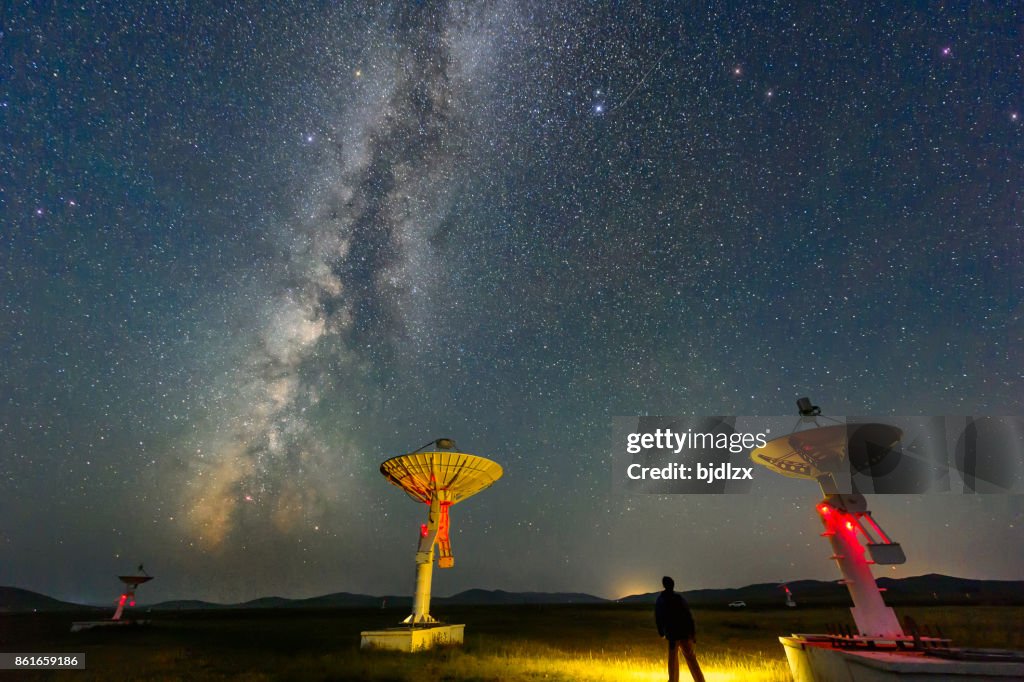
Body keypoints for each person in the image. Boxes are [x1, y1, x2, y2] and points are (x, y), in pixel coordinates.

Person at [655, 576, 705, 682]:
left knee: (673, 661)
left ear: (664, 585)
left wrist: (661, 632)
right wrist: (692, 633)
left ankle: (673, 680)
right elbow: (688, 615)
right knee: (691, 659)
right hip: (684, 633)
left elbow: (658, 616)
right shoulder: (679, 598)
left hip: (673, 634)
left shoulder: (661, 599)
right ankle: (700, 680)